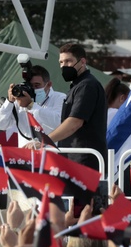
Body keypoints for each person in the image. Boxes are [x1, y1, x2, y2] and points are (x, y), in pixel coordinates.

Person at [31, 43, 107, 172]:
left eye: (68, 61)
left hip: (84, 161)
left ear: (82, 62)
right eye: (61, 62)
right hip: (74, 158)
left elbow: (75, 122)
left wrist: (44, 141)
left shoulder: (87, 86)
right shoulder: (78, 86)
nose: (63, 66)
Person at [0, 65, 64, 147]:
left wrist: (30, 105)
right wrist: (9, 102)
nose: (33, 89)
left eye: (37, 85)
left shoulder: (60, 98)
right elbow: (0, 125)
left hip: (51, 153)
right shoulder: (20, 101)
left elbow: (58, 123)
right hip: (26, 155)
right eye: (30, 86)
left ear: (49, 84)